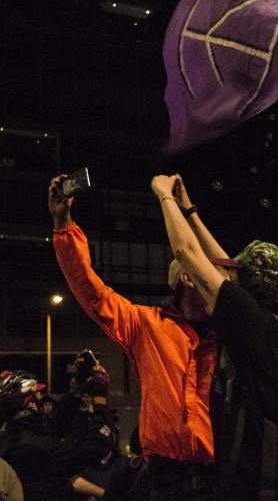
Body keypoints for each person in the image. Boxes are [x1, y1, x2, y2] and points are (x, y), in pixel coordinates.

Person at [150, 174, 278, 500]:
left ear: (251, 284)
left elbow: (185, 252)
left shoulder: (253, 326)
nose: (226, 277)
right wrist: (190, 210)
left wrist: (164, 196)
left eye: (236, 275)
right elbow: (228, 268)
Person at [48, 175, 215, 500]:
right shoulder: (148, 325)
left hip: (220, 479)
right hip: (165, 482)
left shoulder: (226, 334)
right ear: (187, 277)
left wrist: (190, 211)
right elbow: (95, 295)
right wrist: (63, 223)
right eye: (207, 272)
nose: (218, 282)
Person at [0, 369, 115, 501]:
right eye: (38, 395)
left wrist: (77, 385)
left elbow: (57, 425)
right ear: (29, 403)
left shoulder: (9, 439)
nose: (41, 399)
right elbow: (98, 445)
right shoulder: (36, 448)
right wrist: (100, 399)